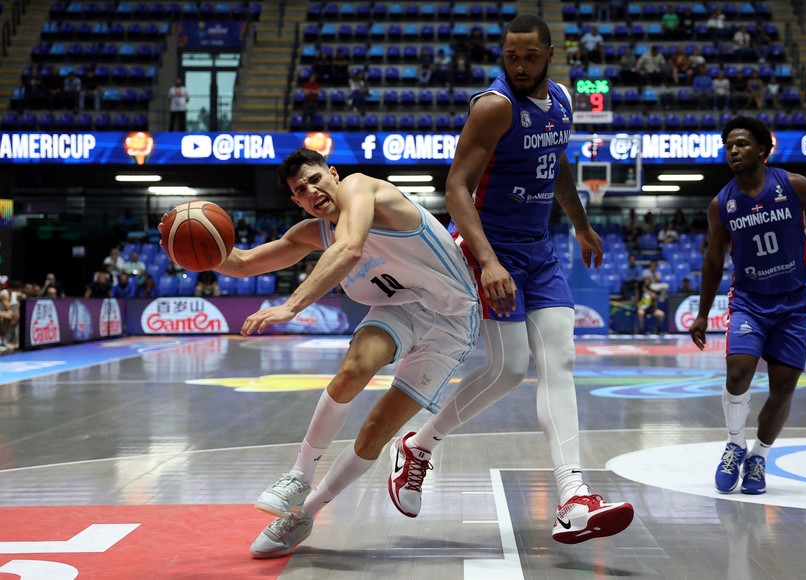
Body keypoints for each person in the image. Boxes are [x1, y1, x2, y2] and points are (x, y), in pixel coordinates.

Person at [385, 14, 633, 545]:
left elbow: (555, 161)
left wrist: (582, 226)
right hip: (488, 250)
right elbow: (455, 187)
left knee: (560, 360)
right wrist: (489, 260)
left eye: (529, 57)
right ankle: (419, 443)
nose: (518, 65)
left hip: (539, 252)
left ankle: (573, 497)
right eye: (510, 56)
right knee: (509, 369)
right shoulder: (494, 107)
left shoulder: (563, 101)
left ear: (549, 55)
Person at [188, 148, 479, 558]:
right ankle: (299, 474)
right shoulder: (313, 231)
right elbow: (244, 263)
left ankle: (305, 512)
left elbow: (350, 249)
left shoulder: (362, 188)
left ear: (334, 174)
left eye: (315, 179)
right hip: (399, 309)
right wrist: (198, 250)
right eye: (300, 190)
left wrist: (290, 306)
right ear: (297, 201)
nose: (311, 190)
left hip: (451, 320)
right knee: (352, 371)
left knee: (376, 430)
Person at [689, 116, 806, 496]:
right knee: (737, 373)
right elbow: (712, 261)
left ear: (762, 149)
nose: (733, 151)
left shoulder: (792, 185)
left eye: (740, 144)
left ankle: (758, 456)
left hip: (793, 304)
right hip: (749, 302)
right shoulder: (722, 204)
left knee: (782, 388)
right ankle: (735, 444)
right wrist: (704, 313)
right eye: (728, 146)